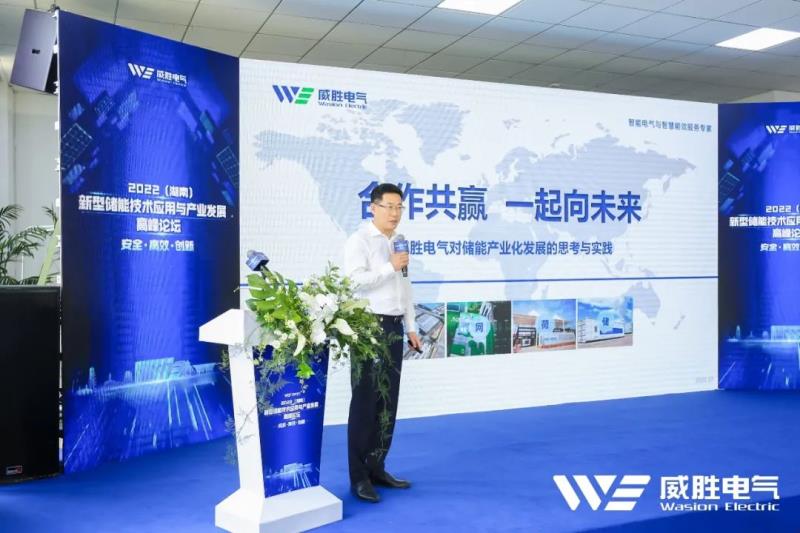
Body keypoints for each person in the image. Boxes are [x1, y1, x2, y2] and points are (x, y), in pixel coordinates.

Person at [343, 183, 422, 503]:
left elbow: (405, 287)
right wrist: (390, 266)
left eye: (399, 207)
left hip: (392, 327)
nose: (395, 213)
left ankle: (377, 467)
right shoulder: (360, 240)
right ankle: (358, 477)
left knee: (388, 402)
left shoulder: (398, 242)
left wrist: (411, 326)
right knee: (365, 402)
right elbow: (353, 282)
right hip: (367, 327)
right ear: (373, 207)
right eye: (389, 206)